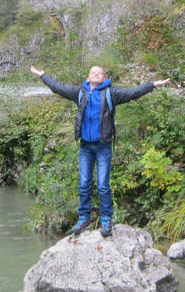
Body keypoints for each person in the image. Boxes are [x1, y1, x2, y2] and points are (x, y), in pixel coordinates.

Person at [29, 64, 171, 237]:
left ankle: (106, 219)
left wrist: (153, 85)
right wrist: (43, 75)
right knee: (83, 184)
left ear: (104, 78)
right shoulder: (79, 92)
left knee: (103, 185)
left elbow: (133, 92)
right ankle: (84, 218)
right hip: (85, 147)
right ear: (88, 78)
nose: (96, 74)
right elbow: (58, 87)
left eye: (99, 73)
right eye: (93, 72)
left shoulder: (112, 93)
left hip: (103, 146)